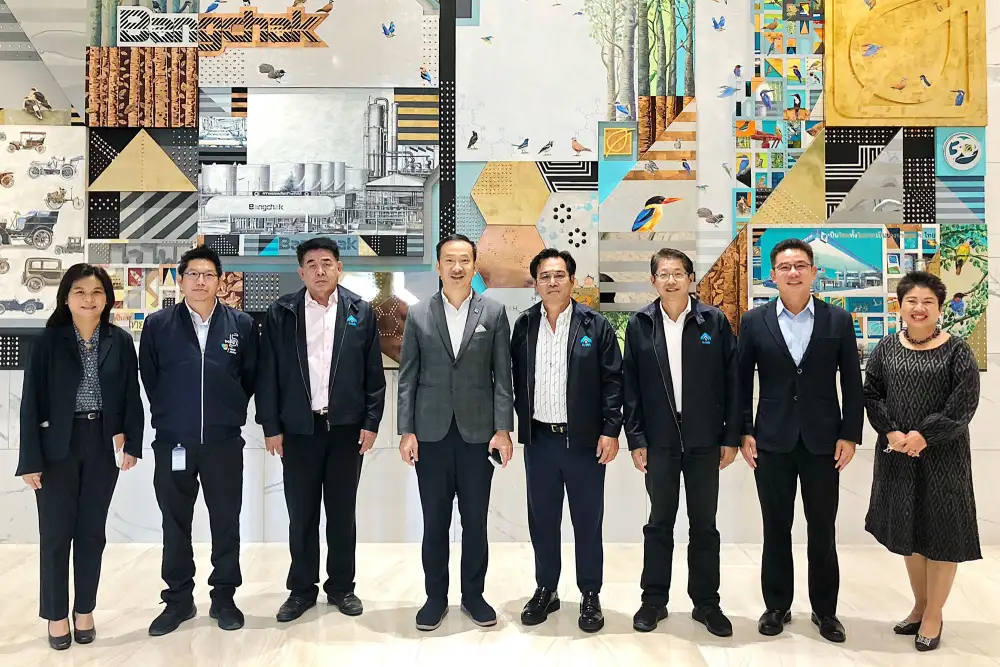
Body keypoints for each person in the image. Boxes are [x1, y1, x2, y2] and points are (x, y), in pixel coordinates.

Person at [737, 237, 863, 643]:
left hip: (823, 442)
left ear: (813, 272)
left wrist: (850, 434)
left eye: (800, 266)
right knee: (776, 527)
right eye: (785, 267)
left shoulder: (837, 320)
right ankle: (777, 606)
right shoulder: (754, 321)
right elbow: (740, 381)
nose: (793, 272)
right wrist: (743, 430)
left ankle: (825, 611)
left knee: (822, 528)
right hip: (771, 440)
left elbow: (853, 382)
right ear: (772, 275)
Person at [256, 237, 386, 623]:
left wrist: (371, 422)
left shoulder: (360, 311)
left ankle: (342, 587)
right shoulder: (281, 312)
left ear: (339, 268)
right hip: (299, 430)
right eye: (311, 264)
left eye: (327, 262)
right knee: (302, 514)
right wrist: (271, 426)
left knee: (342, 513)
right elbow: (268, 373)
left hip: (346, 429)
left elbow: (373, 374)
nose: (320, 270)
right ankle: (301, 590)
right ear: (301, 272)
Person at [17, 264, 142, 651]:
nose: (89, 299)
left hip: (102, 443)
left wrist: (133, 444)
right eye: (80, 292)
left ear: (107, 298)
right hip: (56, 446)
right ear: (66, 298)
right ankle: (56, 614)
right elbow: (30, 401)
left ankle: (84, 610)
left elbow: (131, 396)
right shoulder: (48, 341)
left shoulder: (120, 341)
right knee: (56, 535)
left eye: (97, 292)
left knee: (91, 533)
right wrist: (30, 460)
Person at [397, 233, 514, 631]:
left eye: (465, 260)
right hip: (430, 433)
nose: (458, 267)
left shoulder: (494, 313)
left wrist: (503, 428)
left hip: (478, 435)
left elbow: (502, 377)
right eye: (450, 260)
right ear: (438, 266)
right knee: (434, 521)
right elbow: (408, 377)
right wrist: (406, 431)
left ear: (474, 265)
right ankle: (435, 597)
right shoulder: (418, 314)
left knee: (475, 521)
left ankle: (473, 595)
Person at [139, 245, 259, 636]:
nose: (201, 281)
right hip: (173, 442)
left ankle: (224, 597)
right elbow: (151, 378)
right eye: (193, 274)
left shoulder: (241, 324)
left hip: (224, 443)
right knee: (175, 522)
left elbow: (249, 377)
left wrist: (228, 409)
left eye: (209, 275)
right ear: (181, 279)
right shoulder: (158, 325)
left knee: (225, 520)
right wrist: (174, 416)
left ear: (220, 281)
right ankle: (178, 600)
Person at [622, 248, 740, 637]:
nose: (671, 280)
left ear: (691, 278)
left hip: (705, 438)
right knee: (659, 522)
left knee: (704, 524)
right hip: (659, 440)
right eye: (663, 274)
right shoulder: (640, 324)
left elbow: (733, 381)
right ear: (652, 280)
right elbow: (630, 386)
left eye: (678, 273)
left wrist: (731, 435)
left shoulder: (713, 321)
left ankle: (706, 603)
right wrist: (636, 438)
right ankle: (653, 600)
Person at [863, 271, 981, 652]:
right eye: (911, 301)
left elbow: (963, 405)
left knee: (942, 535)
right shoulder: (885, 348)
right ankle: (920, 606)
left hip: (944, 458)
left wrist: (924, 435)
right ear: (899, 306)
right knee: (909, 533)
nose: (919, 308)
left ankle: (934, 615)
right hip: (898, 456)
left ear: (940, 308)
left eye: (928, 302)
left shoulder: (957, 351)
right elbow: (871, 394)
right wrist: (891, 432)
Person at [510, 248, 622, 633]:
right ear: (535, 283)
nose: (552, 282)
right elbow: (513, 378)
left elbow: (613, 381)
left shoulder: (596, 325)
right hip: (540, 440)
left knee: (587, 521)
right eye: (545, 276)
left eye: (559, 275)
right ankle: (547, 588)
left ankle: (590, 594)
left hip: (585, 442)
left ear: (572, 280)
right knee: (542, 520)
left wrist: (611, 430)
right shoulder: (524, 325)